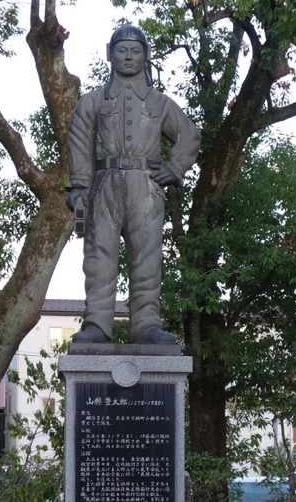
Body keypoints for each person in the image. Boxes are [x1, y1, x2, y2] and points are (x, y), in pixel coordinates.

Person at [66, 24, 201, 346]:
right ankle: (97, 324)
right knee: (99, 257)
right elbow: (80, 143)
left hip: (146, 187)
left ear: (145, 56)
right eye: (122, 50)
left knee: (148, 257)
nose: (128, 56)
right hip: (104, 186)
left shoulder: (160, 103)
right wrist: (79, 186)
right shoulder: (92, 102)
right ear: (110, 54)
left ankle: (146, 324)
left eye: (135, 51)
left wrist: (174, 166)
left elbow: (190, 135)